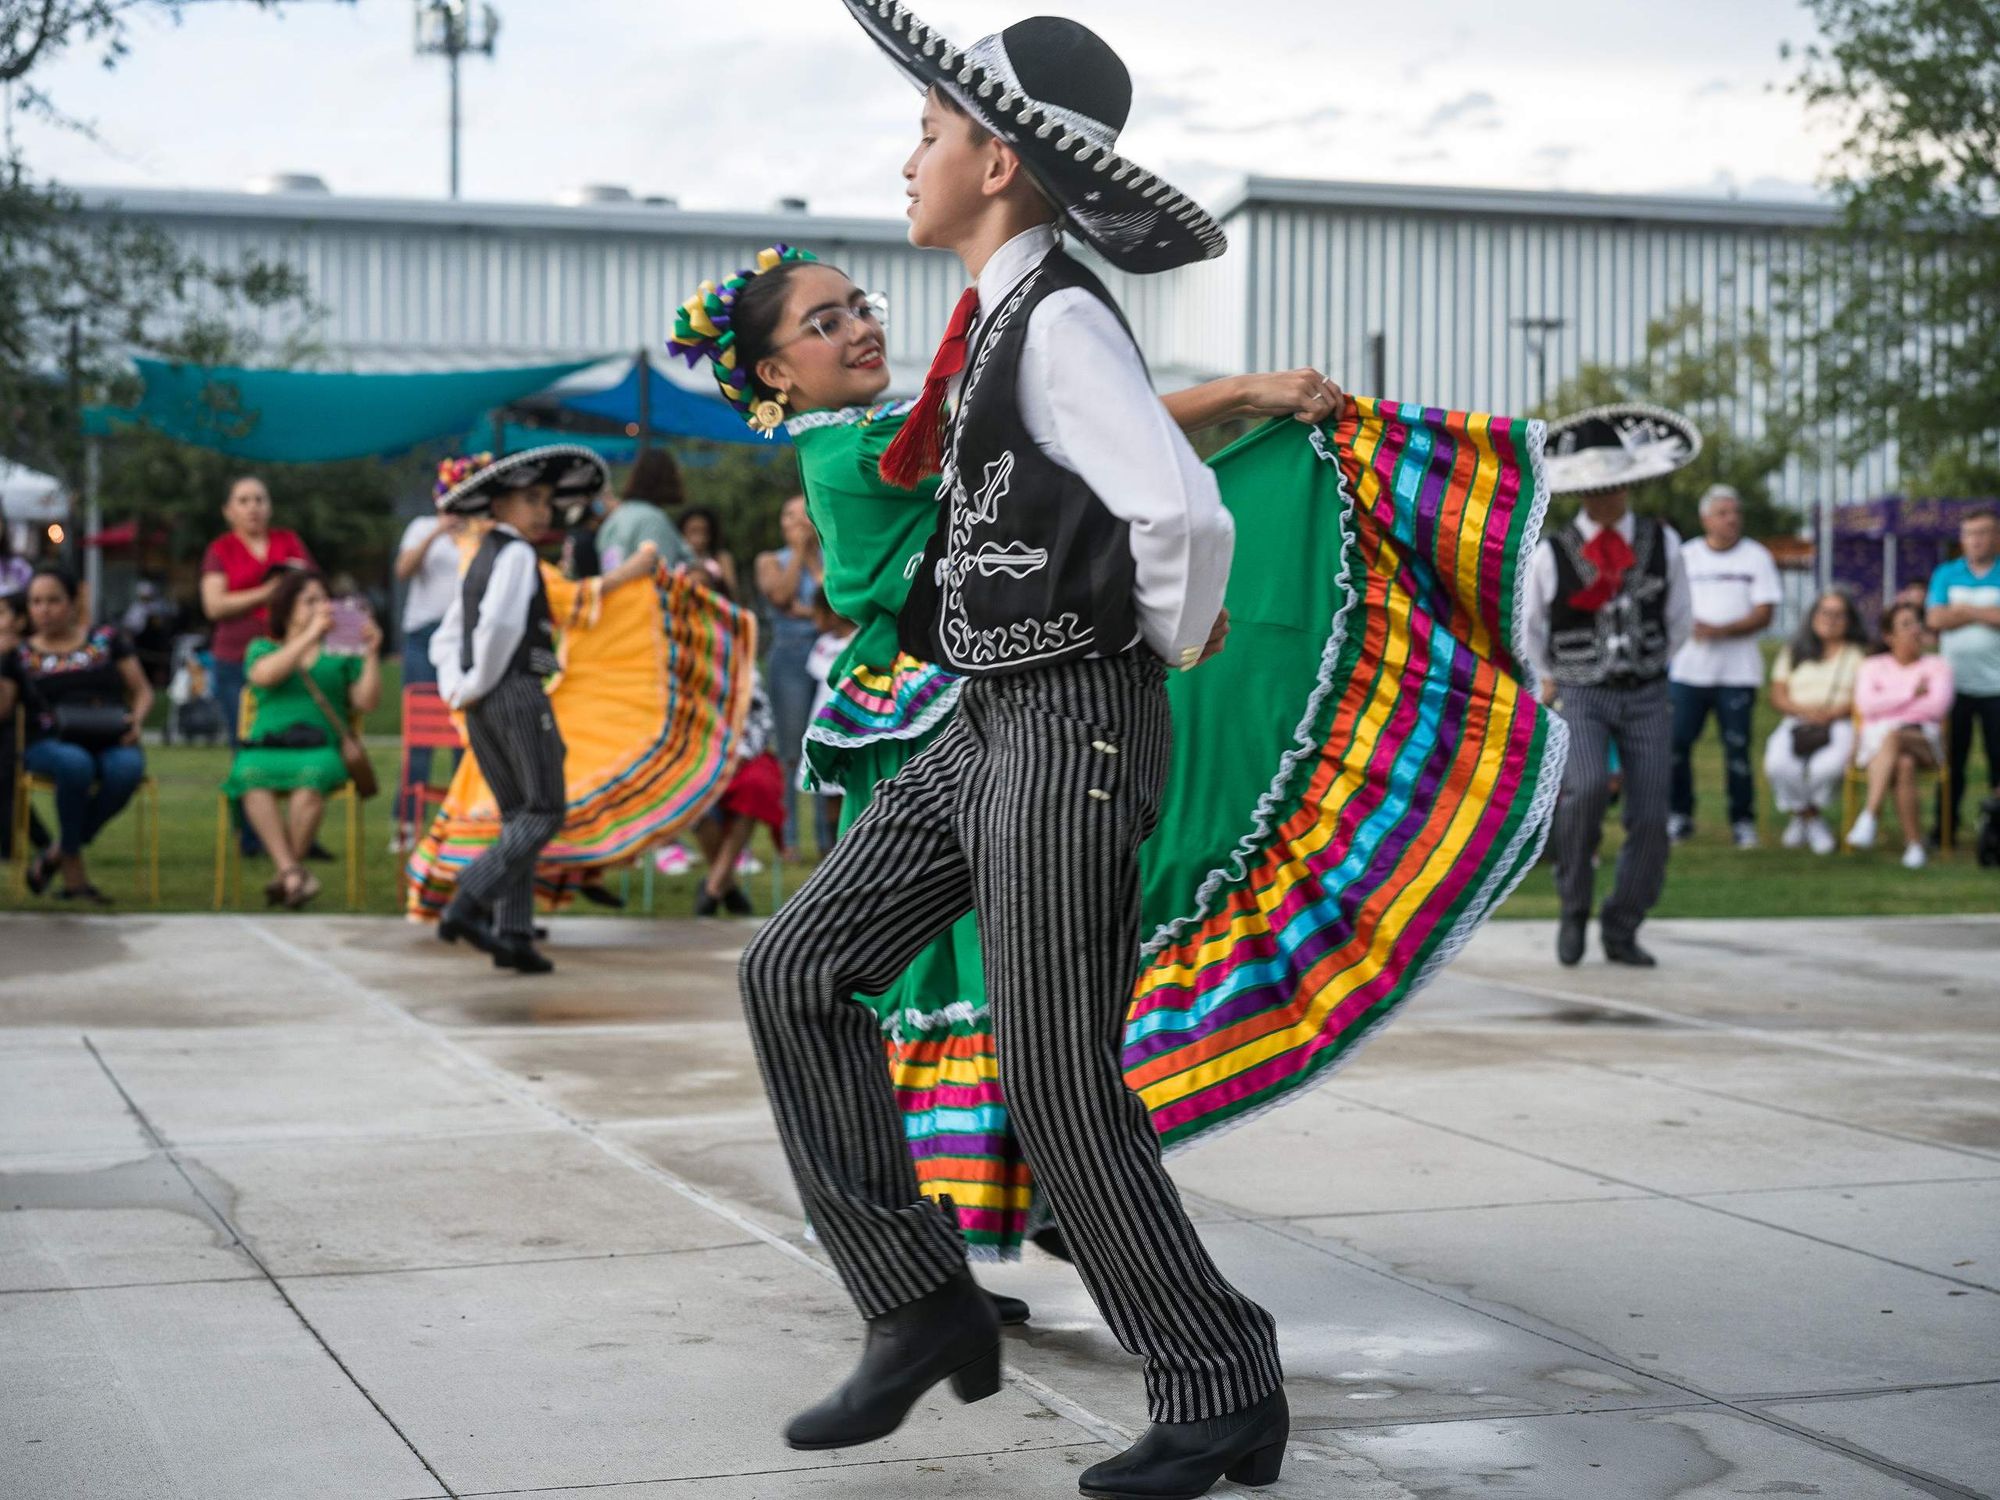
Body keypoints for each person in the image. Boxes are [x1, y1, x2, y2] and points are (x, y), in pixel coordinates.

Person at [701, 13, 1571, 1492]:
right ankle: (919, 1305)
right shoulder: (996, 326)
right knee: (793, 971)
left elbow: (1182, 513)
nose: (909, 155)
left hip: (1069, 730)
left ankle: (1219, 1378)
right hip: (989, 724)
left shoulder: (1058, 321)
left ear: (994, 157)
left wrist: (1151, 644)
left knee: (1056, 1074)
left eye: (926, 131)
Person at [429, 448, 657, 974]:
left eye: (547, 501)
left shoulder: (482, 554)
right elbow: (499, 630)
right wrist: (476, 683)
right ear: (501, 503)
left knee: (516, 815)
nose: (543, 511)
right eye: (531, 500)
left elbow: (450, 634)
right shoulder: (514, 556)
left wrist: (460, 689)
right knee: (544, 811)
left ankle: (511, 934)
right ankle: (467, 902)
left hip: (485, 701)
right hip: (516, 693)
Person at [1525, 404, 1698, 968]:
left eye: (1618, 487)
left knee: (1651, 811)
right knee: (1586, 790)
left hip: (1646, 691)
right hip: (1582, 693)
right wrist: (1551, 677)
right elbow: (1532, 628)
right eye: (1599, 489)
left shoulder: (1662, 541)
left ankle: (1624, 921)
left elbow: (1679, 619)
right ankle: (1574, 902)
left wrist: (1650, 664)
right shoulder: (1551, 553)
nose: (1610, 499)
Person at [221, 569, 382, 908]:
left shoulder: (341, 652)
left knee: (311, 779)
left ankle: (287, 873)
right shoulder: (262, 647)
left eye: (324, 600)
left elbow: (366, 702)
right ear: (287, 607)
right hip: (267, 746)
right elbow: (264, 677)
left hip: (320, 747)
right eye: (309, 601)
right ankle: (294, 873)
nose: (321, 607)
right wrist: (309, 636)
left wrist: (370, 654)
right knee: (248, 775)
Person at [4, 566, 152, 904]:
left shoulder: (107, 639)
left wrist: (137, 720)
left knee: (126, 770)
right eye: (36, 602)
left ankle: (57, 852)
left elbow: (142, 691)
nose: (44, 609)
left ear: (73, 602)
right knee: (75, 764)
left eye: (53, 600)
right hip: (48, 742)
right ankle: (73, 872)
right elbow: (3, 708)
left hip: (112, 736)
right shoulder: (19, 654)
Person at [200, 475, 316, 856]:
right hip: (235, 660)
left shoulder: (288, 542)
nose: (253, 507)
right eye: (244, 500)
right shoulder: (221, 549)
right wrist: (270, 592)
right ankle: (251, 837)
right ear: (228, 510)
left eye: (260, 499)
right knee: (245, 745)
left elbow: (311, 588)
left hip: (290, 658)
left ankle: (302, 834)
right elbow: (214, 606)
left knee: (301, 738)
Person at [1669, 484, 1780, 848]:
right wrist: (1689, 626)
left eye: (1735, 512)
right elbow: (1667, 605)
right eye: (1723, 512)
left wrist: (1721, 630)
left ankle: (1743, 821)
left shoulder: (1756, 557)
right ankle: (1679, 815)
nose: (1732, 519)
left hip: (1737, 673)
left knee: (1737, 748)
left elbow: (1765, 612)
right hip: (1688, 671)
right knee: (1677, 745)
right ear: (1705, 519)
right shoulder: (1686, 556)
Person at [1848, 599, 1954, 868]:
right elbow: (1866, 705)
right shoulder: (1871, 666)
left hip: (1924, 739)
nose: (1915, 630)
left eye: (1917, 623)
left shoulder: (1937, 665)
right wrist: (1910, 694)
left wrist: (1890, 703)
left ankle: (1869, 815)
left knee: (1894, 737)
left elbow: (1936, 706)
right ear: (1889, 636)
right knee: (1904, 764)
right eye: (1906, 625)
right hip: (1879, 743)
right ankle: (1914, 845)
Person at [1763, 589, 1866, 855]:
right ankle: (1809, 817)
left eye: (1838, 614)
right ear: (1813, 616)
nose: (1831, 619)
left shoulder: (1858, 654)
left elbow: (1865, 696)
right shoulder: (1795, 651)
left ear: (1849, 619)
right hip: (1797, 719)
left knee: (1828, 768)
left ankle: (1806, 816)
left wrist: (1834, 712)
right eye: (1825, 613)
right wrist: (1803, 711)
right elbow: (1777, 693)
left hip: (1840, 721)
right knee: (1777, 764)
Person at [392, 508, 468, 851]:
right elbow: (403, 570)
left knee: (463, 734)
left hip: (465, 638)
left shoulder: (480, 531)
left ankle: (461, 822)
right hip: (423, 637)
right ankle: (407, 824)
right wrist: (437, 533)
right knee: (419, 737)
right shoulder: (421, 525)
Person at [1925, 506, 2000, 843]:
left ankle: (1995, 833)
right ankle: (1944, 829)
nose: (1977, 540)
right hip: (1952, 687)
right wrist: (1985, 612)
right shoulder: (1946, 573)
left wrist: (1963, 610)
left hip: (1997, 687)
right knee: (1951, 763)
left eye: (1983, 532)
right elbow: (1935, 619)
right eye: (1970, 533)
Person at [754, 495, 824, 850]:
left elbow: (833, 602)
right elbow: (780, 597)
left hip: (825, 655)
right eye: (787, 515)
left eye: (801, 516)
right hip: (789, 659)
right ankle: (790, 838)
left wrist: (812, 558)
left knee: (826, 743)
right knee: (790, 749)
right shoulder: (769, 560)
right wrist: (798, 554)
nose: (793, 523)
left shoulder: (829, 557)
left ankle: (828, 839)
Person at [0, 589, 54, 863]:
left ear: (20, 621)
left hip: (28, 733)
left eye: (1, 614)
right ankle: (43, 841)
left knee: (7, 785)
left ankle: (9, 847)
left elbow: (4, 706)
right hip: (14, 732)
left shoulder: (19, 653)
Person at [596, 449, 697, 576]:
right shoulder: (652, 520)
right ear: (664, 477)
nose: (680, 476)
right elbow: (661, 577)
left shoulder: (615, 519)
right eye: (675, 472)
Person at [677, 506, 739, 598]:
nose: (699, 538)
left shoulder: (721, 559)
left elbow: (733, 593)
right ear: (682, 533)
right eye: (693, 531)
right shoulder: (675, 559)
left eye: (704, 532)